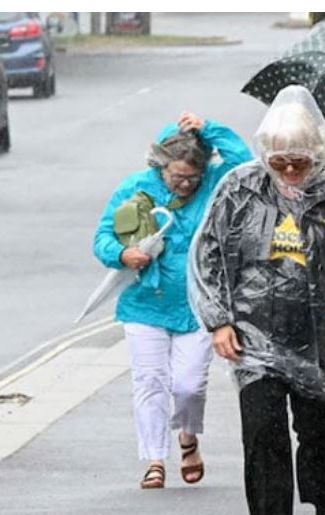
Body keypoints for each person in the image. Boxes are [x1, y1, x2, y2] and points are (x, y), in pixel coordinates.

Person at [191, 86, 325, 515]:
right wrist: (219, 321)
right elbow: (207, 254)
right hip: (253, 338)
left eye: (299, 162)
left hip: (320, 336)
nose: (288, 170)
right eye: (280, 161)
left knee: (322, 437)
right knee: (264, 435)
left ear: (317, 155)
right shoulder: (240, 188)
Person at [92, 115, 251, 489]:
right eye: (175, 176)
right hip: (145, 303)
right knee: (149, 380)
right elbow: (101, 238)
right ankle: (154, 459)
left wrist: (208, 128)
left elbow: (243, 163)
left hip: (198, 305)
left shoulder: (214, 185)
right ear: (160, 166)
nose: (183, 184)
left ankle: (188, 436)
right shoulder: (135, 188)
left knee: (189, 385)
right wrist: (122, 254)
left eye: (190, 178)